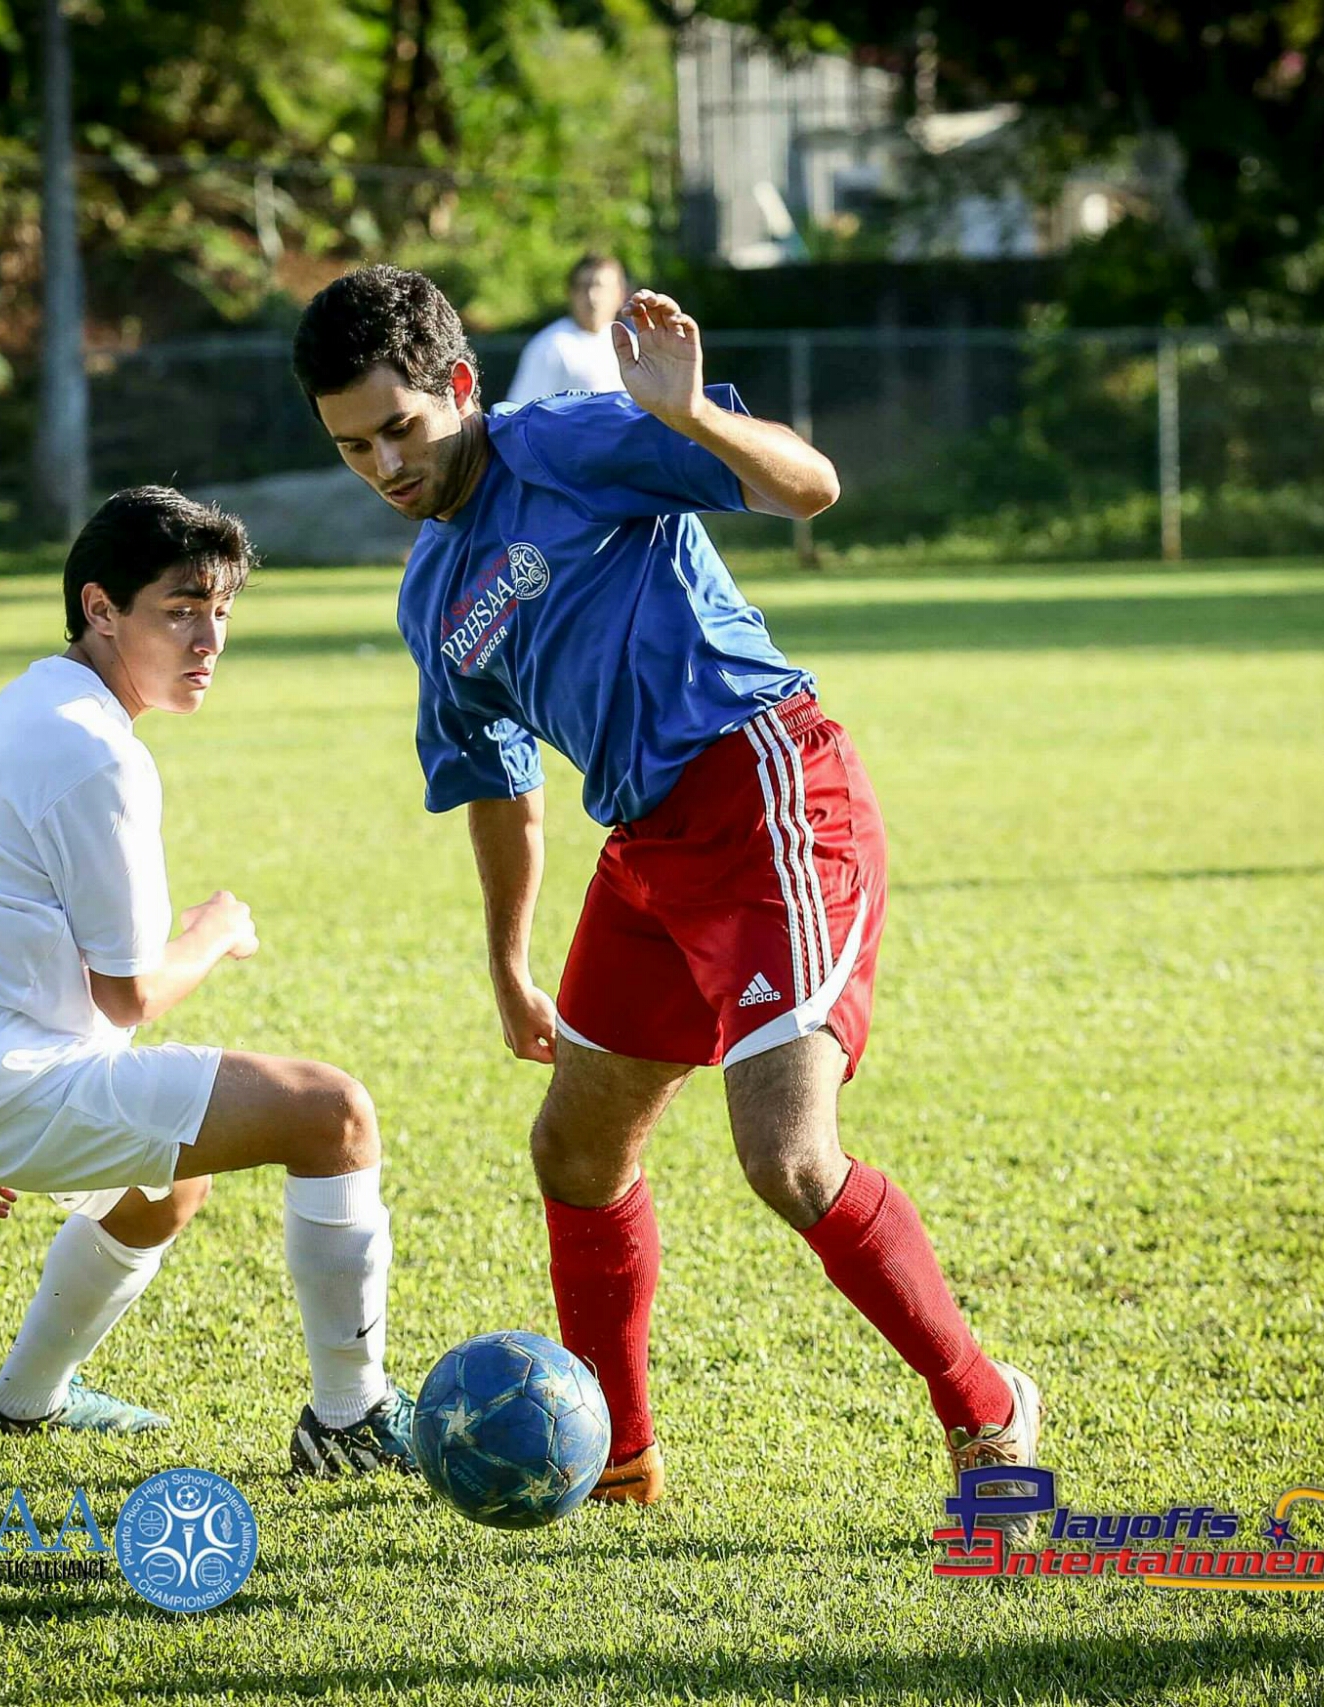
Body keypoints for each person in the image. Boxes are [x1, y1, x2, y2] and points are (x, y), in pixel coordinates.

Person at [290, 267, 1041, 1529]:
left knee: (788, 1159)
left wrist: (689, 415)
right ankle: (618, 1465)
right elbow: (496, 782)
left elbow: (809, 486)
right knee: (573, 1152)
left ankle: (986, 1411)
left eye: (399, 429)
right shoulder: (429, 598)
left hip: (764, 789)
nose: (382, 465)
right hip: (644, 841)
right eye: (352, 445)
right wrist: (505, 961)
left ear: (459, 389)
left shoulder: (572, 443)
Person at [0, 485, 415, 1478]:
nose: (208, 638)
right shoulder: (94, 753)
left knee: (165, 1185)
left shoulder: (25, 703)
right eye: (180, 608)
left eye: (221, 611)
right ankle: (351, 1421)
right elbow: (129, 997)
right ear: (99, 608)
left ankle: (19, 1403)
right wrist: (213, 930)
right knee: (333, 1114)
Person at [502, 253, 628, 405]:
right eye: (584, 287)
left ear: (620, 295)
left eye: (600, 287)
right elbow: (521, 414)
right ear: (570, 294)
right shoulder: (551, 347)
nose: (592, 296)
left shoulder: (630, 344)